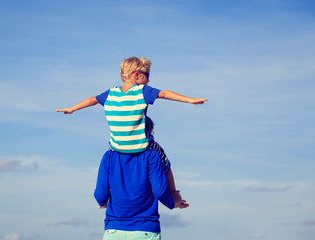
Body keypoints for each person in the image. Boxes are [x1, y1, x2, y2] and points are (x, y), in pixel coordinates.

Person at [56, 56, 208, 206]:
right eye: (147, 76)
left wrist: (73, 108)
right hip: (141, 147)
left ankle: (105, 196)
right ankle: (174, 195)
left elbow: (92, 100)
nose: (148, 80)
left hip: (116, 147)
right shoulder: (142, 90)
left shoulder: (111, 93)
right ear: (137, 75)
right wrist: (189, 99)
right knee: (163, 158)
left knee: (109, 164)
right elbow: (164, 93)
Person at [94, 148, 175, 240]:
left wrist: (102, 203)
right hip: (145, 230)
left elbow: (101, 195)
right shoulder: (152, 155)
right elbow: (159, 192)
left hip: (114, 230)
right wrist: (172, 202)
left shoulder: (109, 156)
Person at [146, 116, 189, 209]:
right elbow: (166, 169)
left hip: (117, 214)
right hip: (146, 211)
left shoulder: (114, 150)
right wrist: (173, 197)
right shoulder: (153, 148)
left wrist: (106, 196)